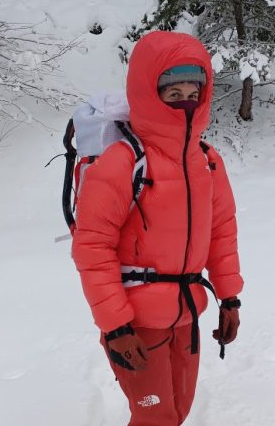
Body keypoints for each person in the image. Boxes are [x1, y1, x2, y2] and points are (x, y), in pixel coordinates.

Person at [71, 31, 244, 426]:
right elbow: (92, 249)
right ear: (150, 93)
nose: (185, 101)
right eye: (172, 93)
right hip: (135, 322)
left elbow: (222, 232)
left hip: (188, 311)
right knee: (156, 419)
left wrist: (230, 298)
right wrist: (115, 327)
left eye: (193, 91)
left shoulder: (207, 161)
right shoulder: (121, 162)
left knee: (177, 412)